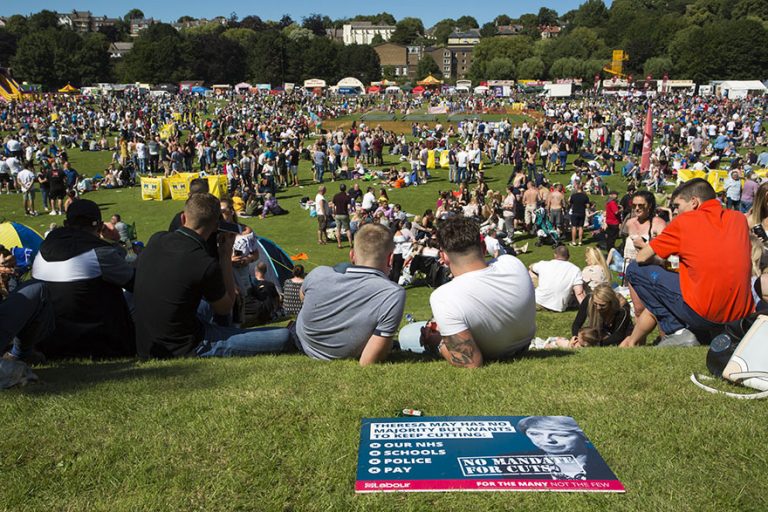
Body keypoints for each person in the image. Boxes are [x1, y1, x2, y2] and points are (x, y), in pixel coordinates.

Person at [134, 193, 291, 358]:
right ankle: (228, 334)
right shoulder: (204, 263)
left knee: (206, 305)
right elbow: (225, 307)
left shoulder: (157, 238)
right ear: (217, 226)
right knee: (283, 336)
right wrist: (225, 254)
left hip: (146, 342)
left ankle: (226, 331)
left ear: (183, 217)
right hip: (183, 345)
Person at [621, 179, 754, 347]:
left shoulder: (685, 222)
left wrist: (647, 248)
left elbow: (642, 258)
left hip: (704, 313)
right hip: (739, 315)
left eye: (677, 206)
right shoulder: (738, 219)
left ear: (694, 202)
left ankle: (677, 331)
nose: (676, 211)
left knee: (634, 269)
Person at [10, 199, 136, 359]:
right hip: (96, 342)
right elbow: (136, 283)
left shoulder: (43, 248)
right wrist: (116, 241)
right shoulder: (100, 252)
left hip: (49, 340)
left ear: (65, 223)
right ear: (99, 226)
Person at [421, 217, 536, 368]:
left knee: (408, 333)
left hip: (492, 352)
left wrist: (438, 342)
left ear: (444, 256)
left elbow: (471, 363)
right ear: (483, 246)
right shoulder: (511, 262)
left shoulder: (443, 296)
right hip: (525, 344)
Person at [293, 223, 406, 365]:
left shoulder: (318, 273)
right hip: (340, 351)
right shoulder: (392, 294)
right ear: (390, 259)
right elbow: (367, 361)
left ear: (352, 255)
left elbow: (302, 297)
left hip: (301, 340)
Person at [529, 245, 586, 312]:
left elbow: (531, 267)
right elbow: (579, 293)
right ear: (568, 256)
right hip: (558, 307)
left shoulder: (544, 264)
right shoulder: (575, 270)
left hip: (538, 302)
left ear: (555, 255)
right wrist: (586, 308)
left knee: (530, 273)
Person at [332, 183, 352, 249]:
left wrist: (334, 213)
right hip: (344, 214)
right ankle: (350, 243)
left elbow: (333, 206)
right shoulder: (347, 196)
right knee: (347, 229)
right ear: (345, 189)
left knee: (338, 230)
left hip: (337, 214)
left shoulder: (336, 196)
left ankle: (339, 244)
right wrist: (349, 212)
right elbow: (349, 207)